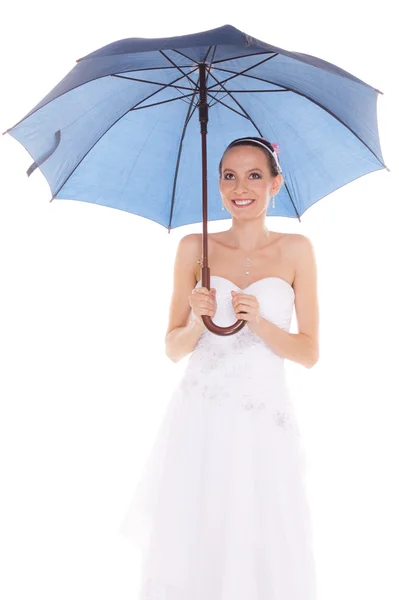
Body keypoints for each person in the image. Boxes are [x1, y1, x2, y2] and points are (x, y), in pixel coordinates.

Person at [119, 136, 319, 600]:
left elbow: (308, 352)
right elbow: (173, 348)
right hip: (201, 419)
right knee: (196, 532)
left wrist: (260, 323)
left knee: (260, 533)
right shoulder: (195, 247)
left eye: (253, 175)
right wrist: (195, 315)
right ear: (218, 183)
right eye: (228, 175)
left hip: (262, 421)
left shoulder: (297, 250)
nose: (239, 187)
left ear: (276, 184)